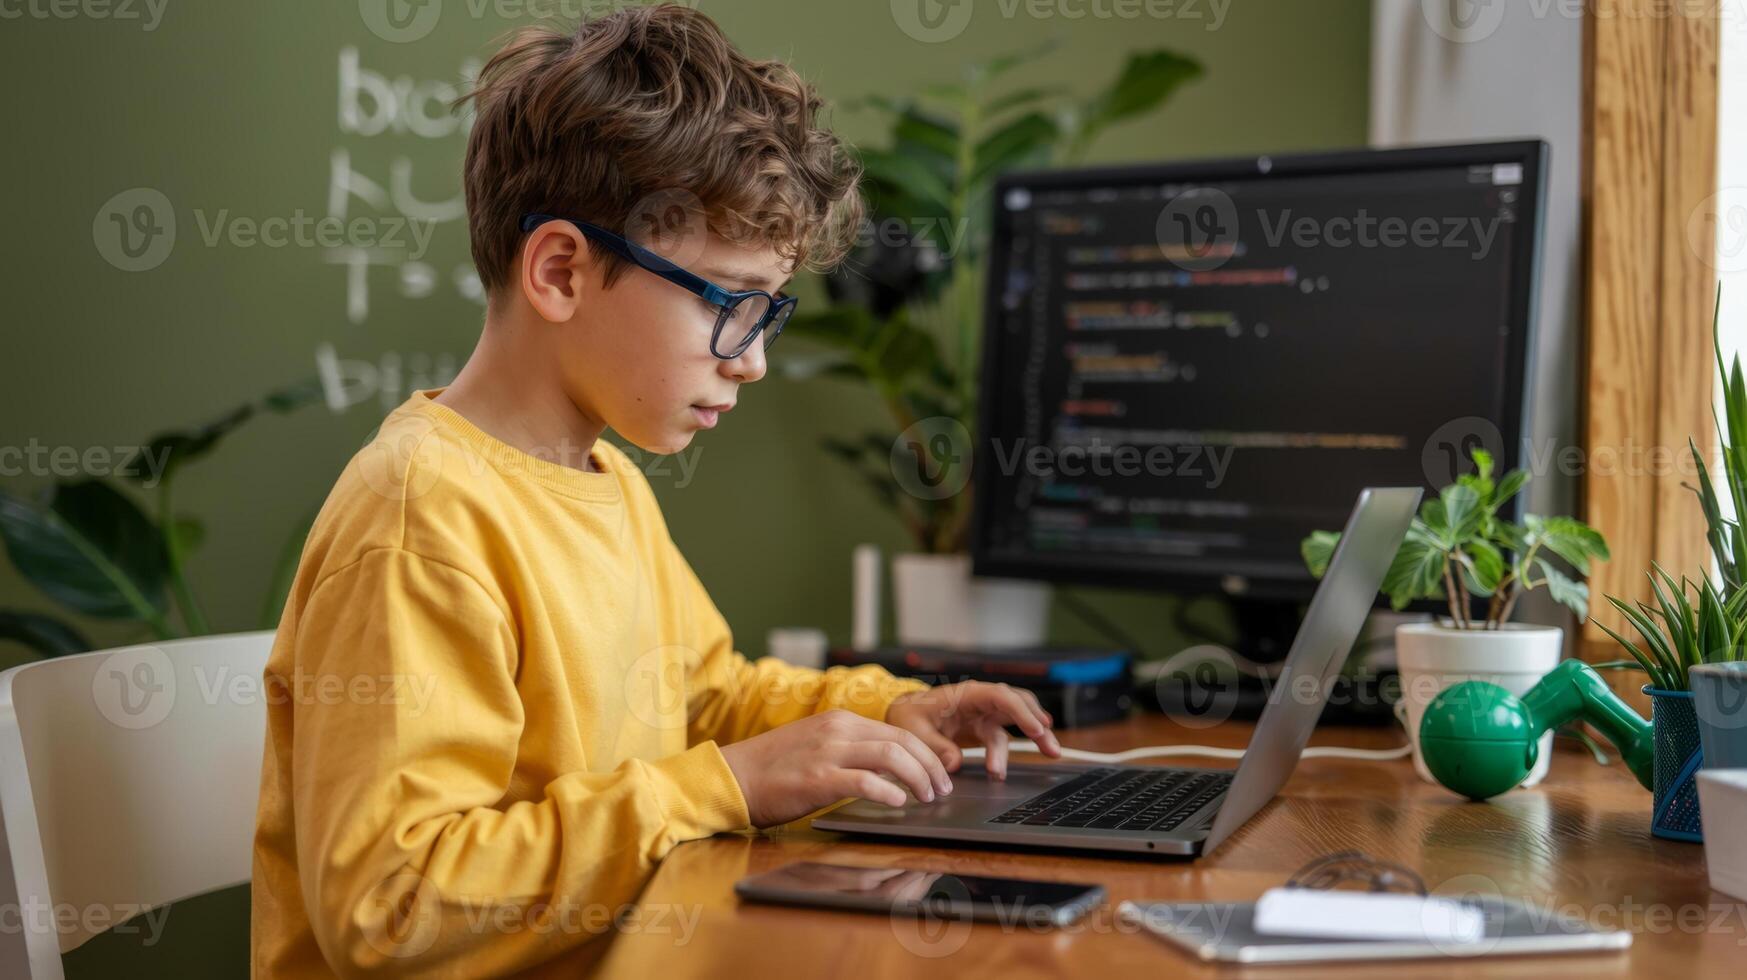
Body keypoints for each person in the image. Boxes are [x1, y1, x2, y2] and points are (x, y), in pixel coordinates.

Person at [251, 6, 1060, 976]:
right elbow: (392, 903)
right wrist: (716, 786)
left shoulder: (608, 482)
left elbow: (706, 693)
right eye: (731, 304)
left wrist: (888, 712)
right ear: (560, 270)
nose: (754, 360)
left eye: (771, 312)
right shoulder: (423, 513)